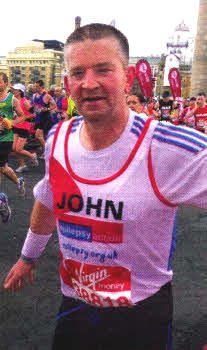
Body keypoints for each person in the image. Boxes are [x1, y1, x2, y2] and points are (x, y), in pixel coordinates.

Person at [4, 23, 207, 350]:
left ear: (127, 77)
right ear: (67, 81)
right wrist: (28, 257)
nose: (89, 83)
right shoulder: (59, 138)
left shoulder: (167, 148)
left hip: (141, 316)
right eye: (77, 72)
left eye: (103, 70)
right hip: (74, 307)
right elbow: (48, 201)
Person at [0, 72, 26, 197]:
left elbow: (22, 116)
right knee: (3, 168)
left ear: (5, 84)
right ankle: (18, 181)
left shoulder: (12, 100)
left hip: (5, 138)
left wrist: (11, 122)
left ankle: (0, 201)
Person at [11, 83, 39, 173]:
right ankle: (23, 165)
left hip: (24, 127)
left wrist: (23, 117)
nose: (13, 91)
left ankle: (32, 156)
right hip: (15, 126)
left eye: (15, 90)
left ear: (20, 92)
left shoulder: (25, 101)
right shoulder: (13, 101)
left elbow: (34, 115)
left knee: (18, 149)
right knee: (14, 148)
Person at [31, 80, 56, 158]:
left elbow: (54, 105)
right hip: (37, 118)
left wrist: (47, 109)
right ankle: (46, 149)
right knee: (37, 136)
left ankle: (47, 152)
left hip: (44, 118)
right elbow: (33, 106)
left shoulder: (47, 96)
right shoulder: (34, 95)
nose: (35, 88)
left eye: (37, 86)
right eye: (35, 86)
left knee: (39, 136)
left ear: (42, 87)